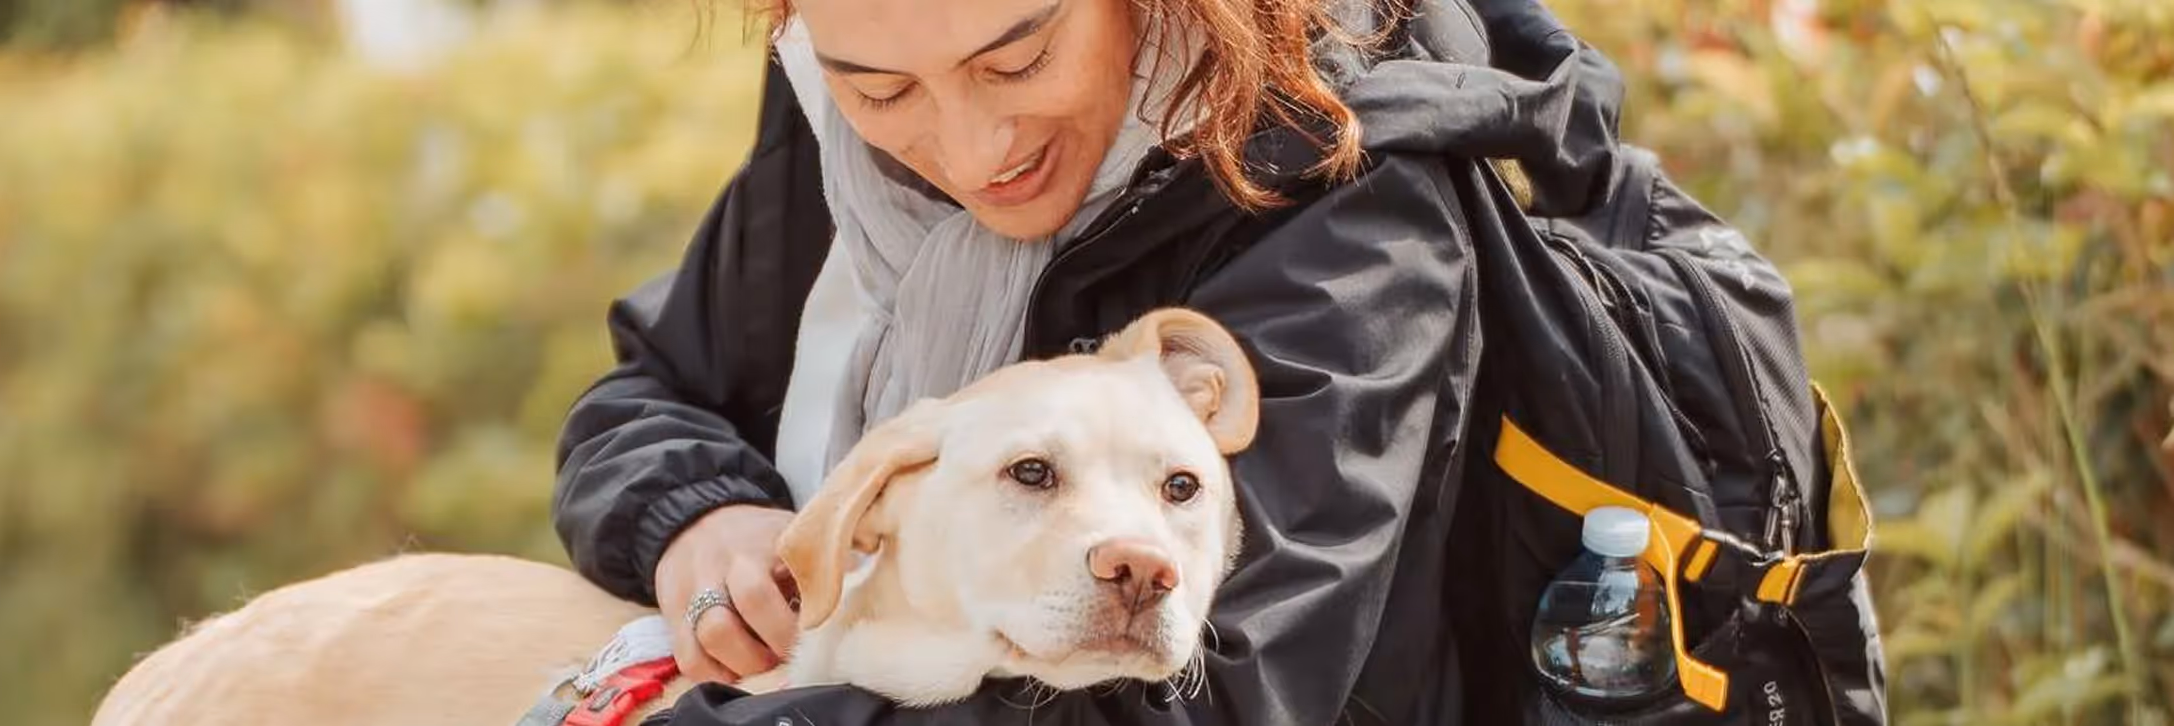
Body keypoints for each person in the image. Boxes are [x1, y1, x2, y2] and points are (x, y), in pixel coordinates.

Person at [551, 0, 1631, 722]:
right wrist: (700, 514)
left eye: (1017, 61)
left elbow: (1221, 692)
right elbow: (648, 395)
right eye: (882, 89)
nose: (972, 151)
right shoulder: (844, 147)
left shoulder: (1348, 208)